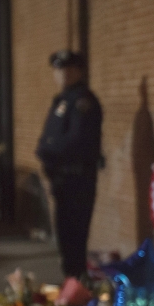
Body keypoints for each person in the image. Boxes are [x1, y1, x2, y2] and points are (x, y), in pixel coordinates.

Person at [37, 50, 103, 278]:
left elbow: (76, 140)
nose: (63, 74)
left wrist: (48, 152)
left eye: (68, 70)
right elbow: (50, 135)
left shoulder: (83, 101)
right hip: (61, 178)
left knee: (75, 236)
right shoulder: (62, 101)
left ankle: (77, 285)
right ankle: (71, 283)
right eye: (58, 70)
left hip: (77, 178)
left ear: (79, 72)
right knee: (65, 236)